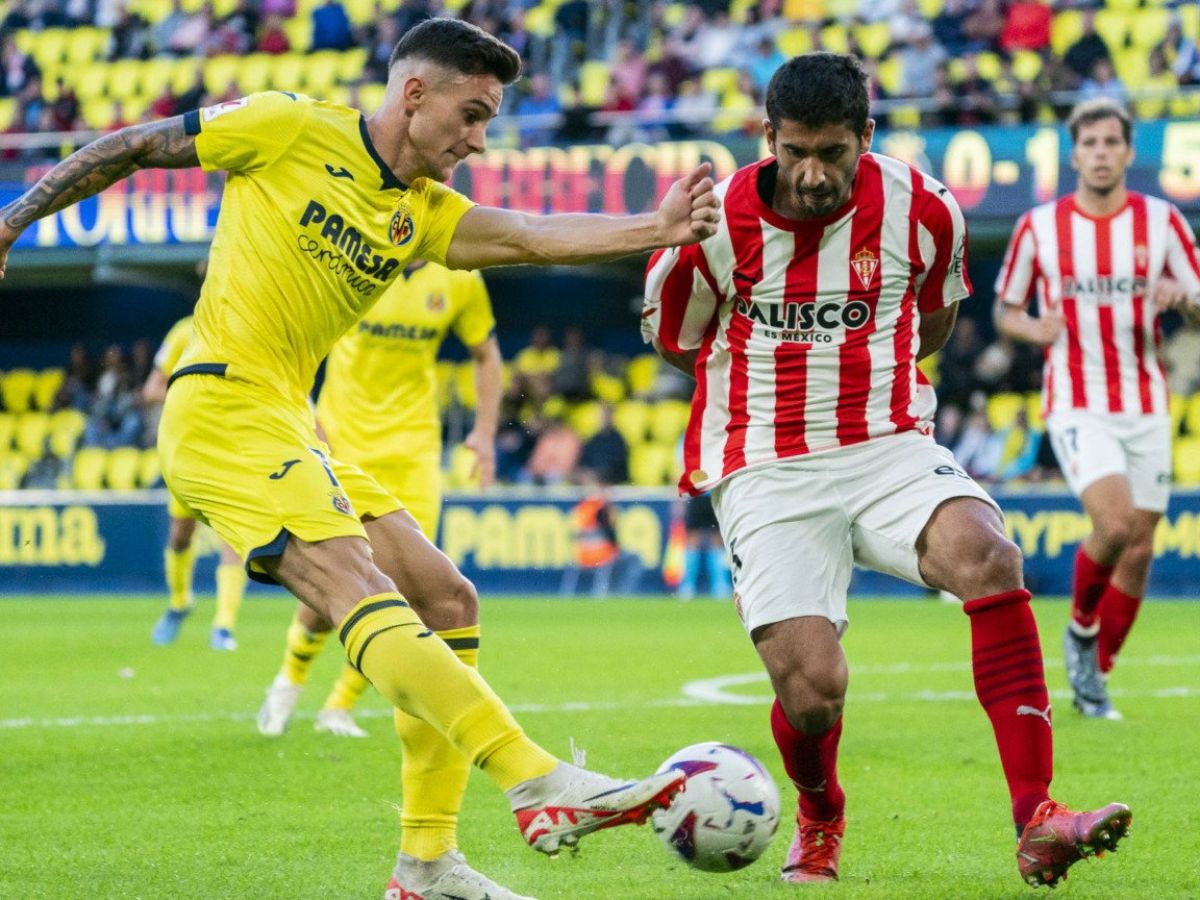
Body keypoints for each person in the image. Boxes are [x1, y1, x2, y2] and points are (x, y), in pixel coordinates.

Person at [0, 18, 719, 900]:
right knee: (355, 588)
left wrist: (655, 227)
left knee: (446, 594)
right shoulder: (289, 126)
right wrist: (10, 222)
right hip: (221, 405)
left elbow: (530, 234)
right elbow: (134, 145)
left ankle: (428, 866)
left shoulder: (419, 211)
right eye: (473, 113)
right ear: (414, 94)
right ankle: (535, 780)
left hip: (292, 424)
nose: (479, 139)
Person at [642, 52, 1130, 890]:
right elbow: (675, 339)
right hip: (765, 461)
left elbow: (933, 321)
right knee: (812, 693)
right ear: (766, 137)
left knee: (989, 555)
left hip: (887, 443)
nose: (811, 173)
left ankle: (1039, 816)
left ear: (866, 138)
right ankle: (820, 812)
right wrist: (774, 381)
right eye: (794, 150)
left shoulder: (923, 209)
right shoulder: (712, 222)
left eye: (833, 153)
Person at [994, 98, 1200, 720]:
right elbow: (1007, 311)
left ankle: (1094, 677)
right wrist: (1037, 330)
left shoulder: (1163, 222)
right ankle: (1081, 631)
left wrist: (1182, 300)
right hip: (1077, 398)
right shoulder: (1040, 227)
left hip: (1144, 398)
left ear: (1128, 152)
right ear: (1075, 153)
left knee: (1139, 547)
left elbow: (1198, 300)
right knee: (1113, 526)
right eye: (1091, 144)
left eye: (1113, 142)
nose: (1103, 153)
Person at [256, 260, 501, 740]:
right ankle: (290, 680)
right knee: (337, 580)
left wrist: (486, 434)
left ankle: (339, 705)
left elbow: (486, 353)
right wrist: (307, 421)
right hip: (343, 444)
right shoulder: (351, 259)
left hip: (414, 453)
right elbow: (292, 345)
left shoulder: (460, 277)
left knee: (411, 587)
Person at [143, 314, 248, 652]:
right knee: (179, 535)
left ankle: (223, 626)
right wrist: (192, 392)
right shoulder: (183, 331)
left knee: (232, 539)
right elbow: (152, 388)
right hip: (188, 448)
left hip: (229, 451)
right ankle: (179, 603)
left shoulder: (245, 327)